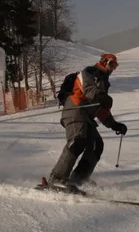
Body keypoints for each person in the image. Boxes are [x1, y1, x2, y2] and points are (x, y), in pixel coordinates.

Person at [48, 53, 127, 191]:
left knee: (97, 145)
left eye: (116, 65)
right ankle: (56, 179)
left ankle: (78, 179)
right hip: (75, 111)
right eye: (112, 64)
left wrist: (114, 124)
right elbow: (89, 90)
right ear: (104, 62)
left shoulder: (104, 81)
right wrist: (101, 96)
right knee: (78, 141)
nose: (114, 68)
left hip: (87, 117)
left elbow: (101, 109)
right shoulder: (88, 72)